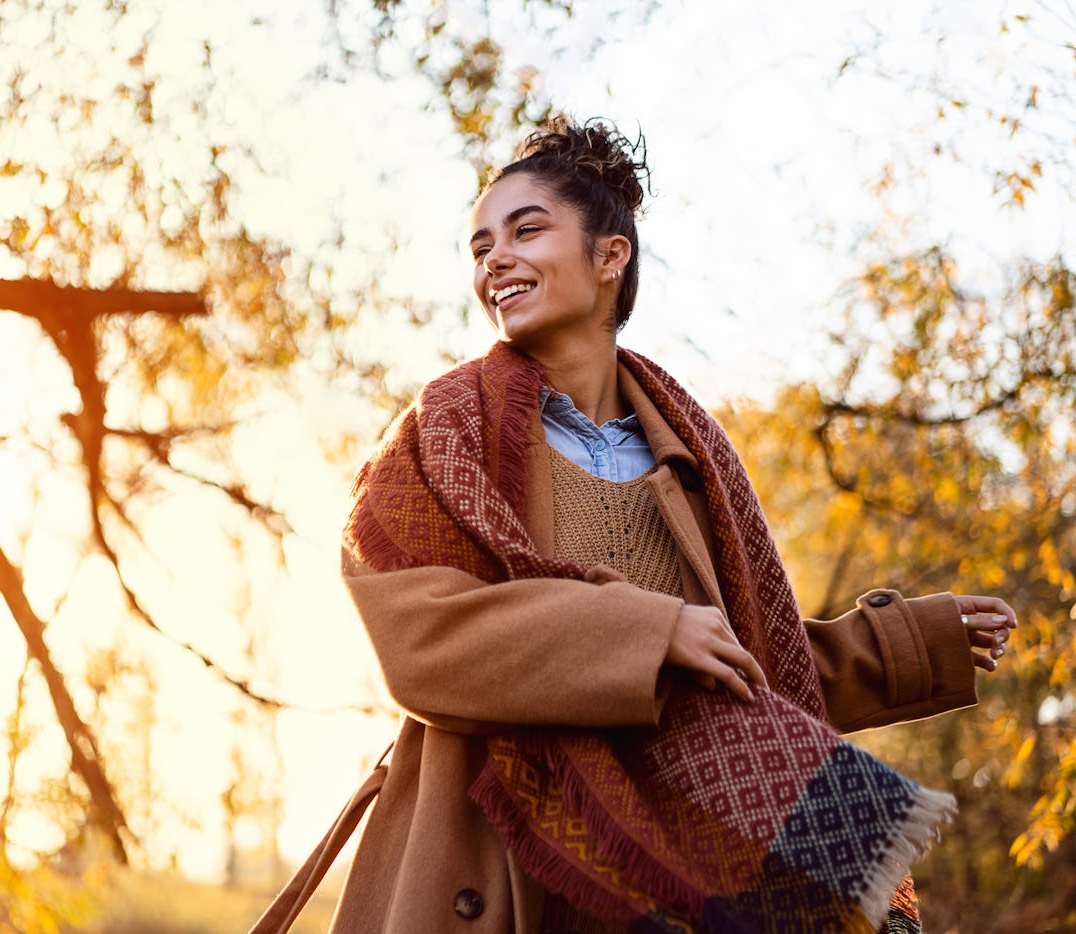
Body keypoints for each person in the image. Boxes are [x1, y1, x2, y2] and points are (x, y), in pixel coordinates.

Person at [252, 116, 1017, 934]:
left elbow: (748, 673)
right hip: (500, 866)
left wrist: (904, 647)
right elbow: (422, 640)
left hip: (676, 886)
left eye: (526, 230)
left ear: (610, 256)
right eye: (480, 246)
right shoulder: (440, 434)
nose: (494, 259)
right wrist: (650, 635)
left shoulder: (694, 454)